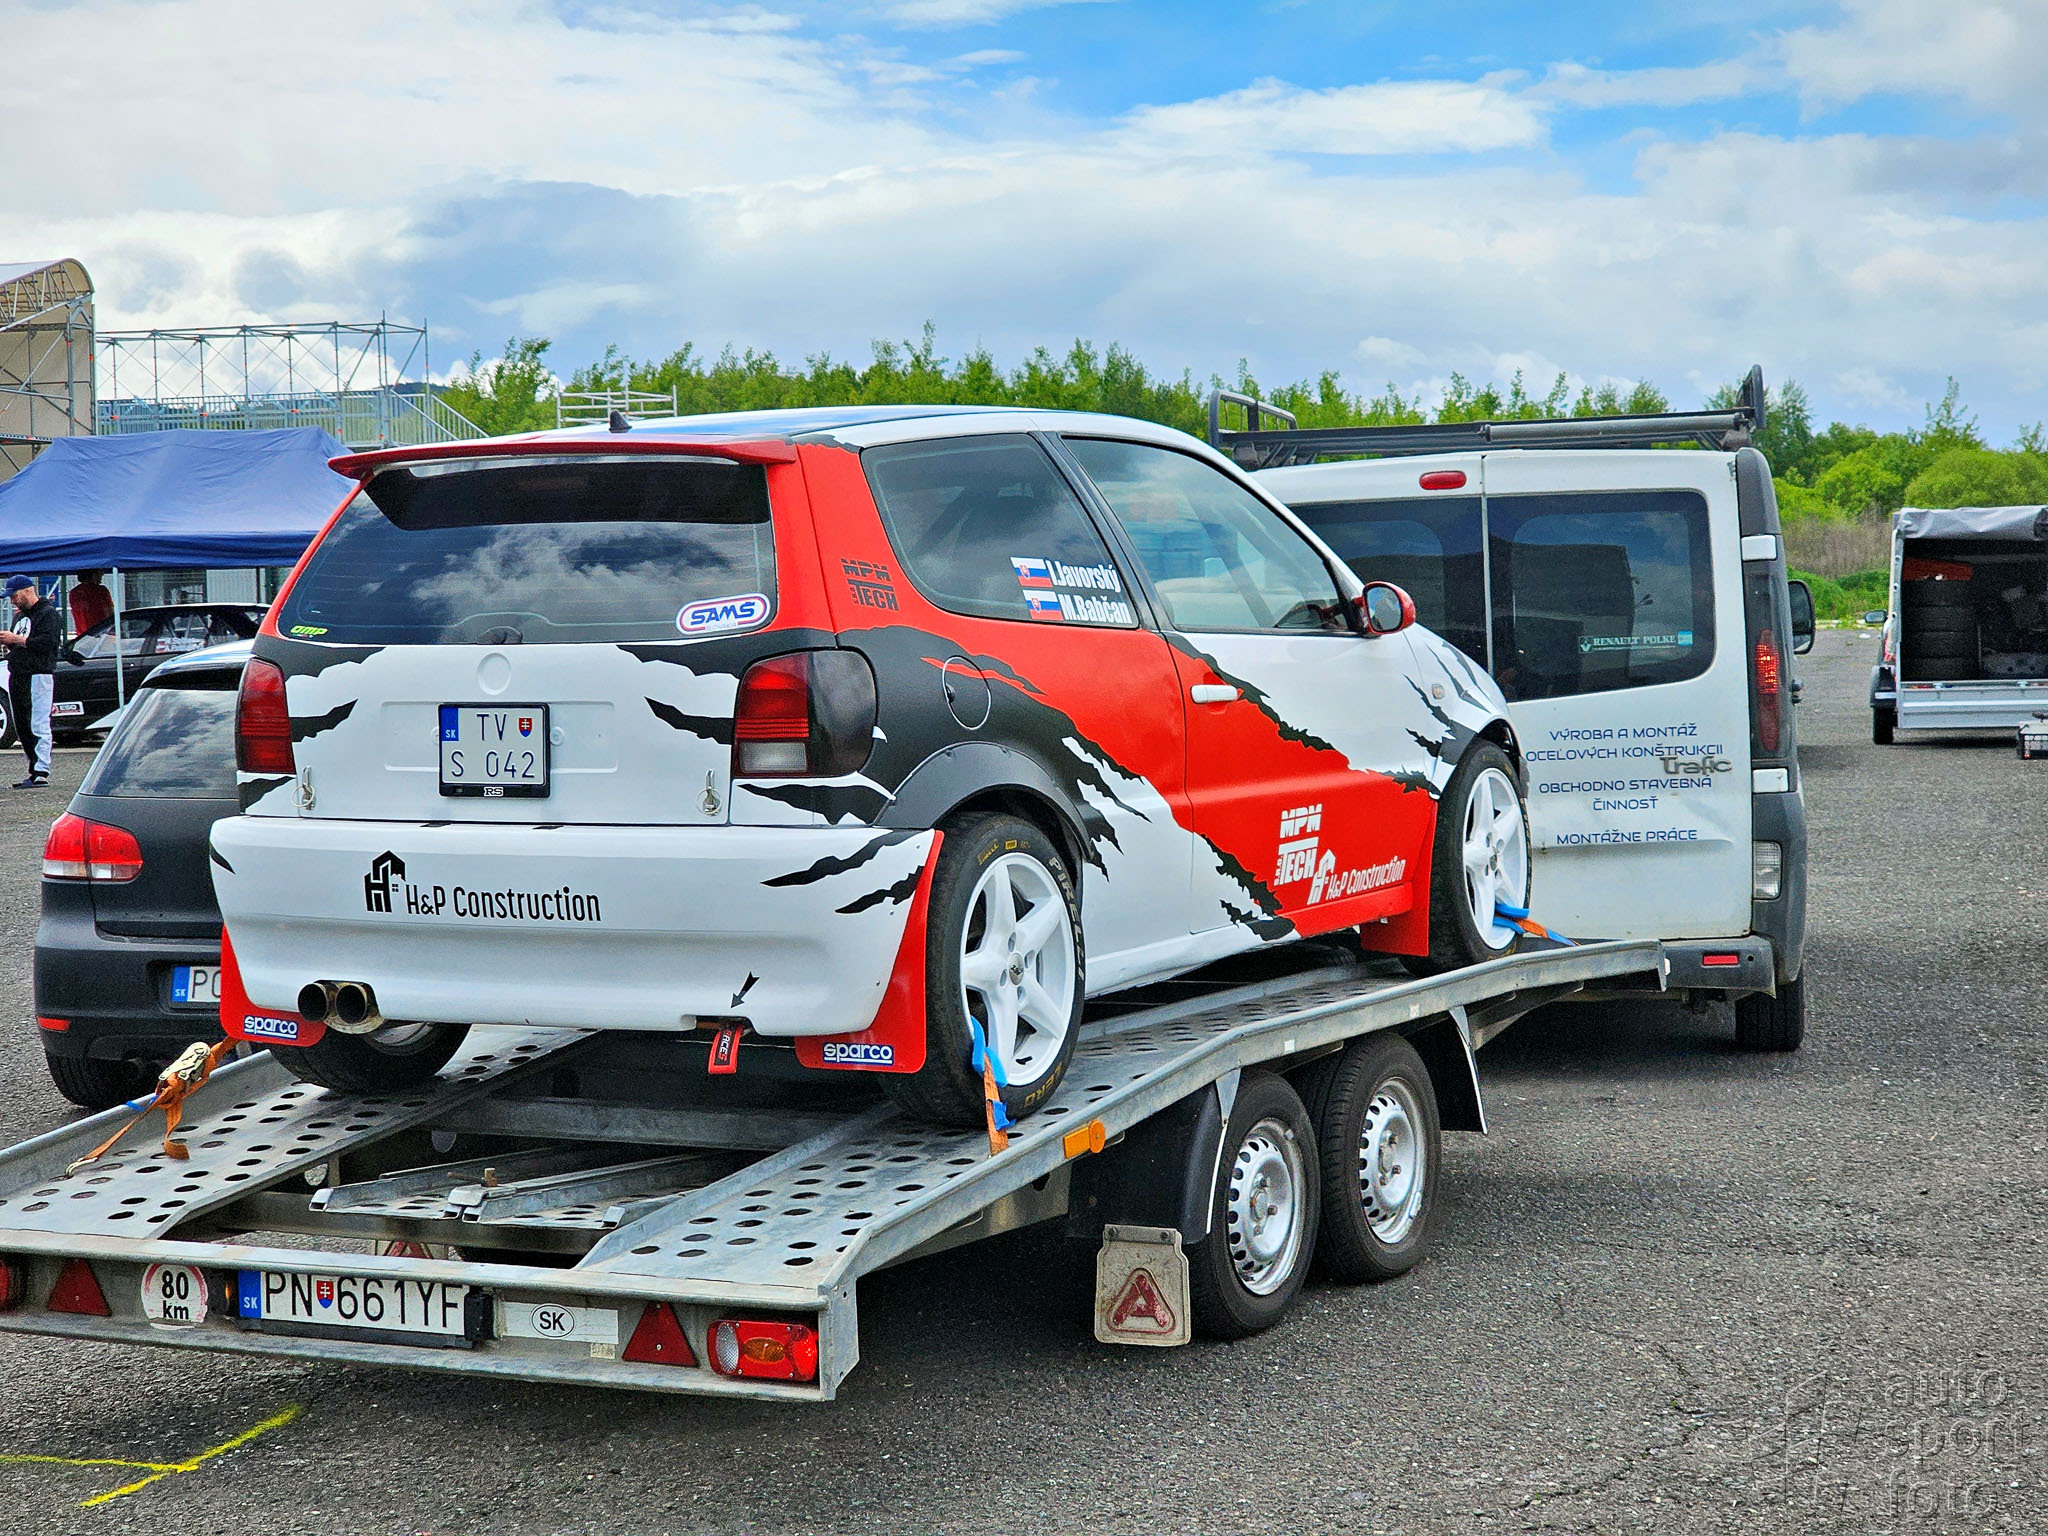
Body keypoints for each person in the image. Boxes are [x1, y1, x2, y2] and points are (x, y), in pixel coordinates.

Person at [0, 576, 62, 787]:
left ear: (28, 591)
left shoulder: (47, 614)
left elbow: (48, 643)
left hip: (38, 673)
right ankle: (33, 768)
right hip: (18, 673)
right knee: (22, 724)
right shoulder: (19, 617)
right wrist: (9, 644)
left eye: (15, 596)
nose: (12, 601)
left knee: (38, 722)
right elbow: (20, 643)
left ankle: (41, 770)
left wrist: (17, 640)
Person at [68, 570, 113, 638]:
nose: (102, 574)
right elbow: (109, 611)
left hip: (82, 634)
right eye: (99, 573)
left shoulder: (73, 592)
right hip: (102, 633)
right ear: (93, 575)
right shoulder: (101, 590)